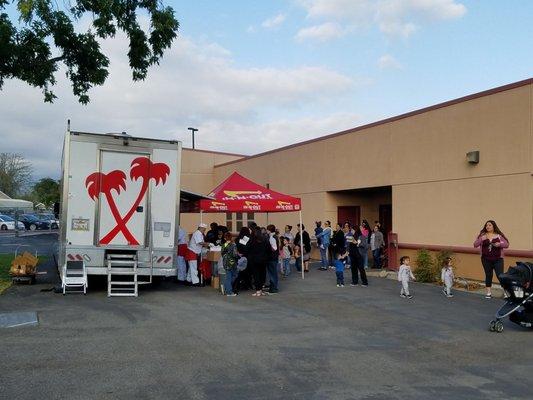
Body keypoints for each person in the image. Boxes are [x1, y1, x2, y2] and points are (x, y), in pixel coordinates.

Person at [474, 220, 510, 299]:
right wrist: (481, 239)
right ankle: (488, 293)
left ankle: (505, 292)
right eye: (486, 225)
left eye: (489, 225)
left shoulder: (499, 235)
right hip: (486, 259)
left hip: (498, 259)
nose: (488, 227)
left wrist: (499, 244)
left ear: (493, 226)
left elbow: (507, 244)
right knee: (488, 275)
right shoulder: (482, 235)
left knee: (500, 275)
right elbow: (475, 245)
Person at [248, 226, 270, 297]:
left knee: (256, 275)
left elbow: (248, 249)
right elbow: (268, 249)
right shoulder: (265, 239)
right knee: (262, 275)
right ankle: (261, 290)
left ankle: (258, 290)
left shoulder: (252, 240)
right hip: (263, 260)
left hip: (254, 260)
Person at [221, 232, 239, 296]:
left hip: (225, 262)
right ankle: (229, 291)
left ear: (225, 238)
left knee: (228, 276)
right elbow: (235, 254)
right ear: (231, 237)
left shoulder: (224, 244)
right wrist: (239, 255)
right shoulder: (233, 245)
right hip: (232, 262)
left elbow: (222, 252)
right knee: (234, 275)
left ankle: (226, 287)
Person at [235, 226, 252, 291]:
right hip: (248, 257)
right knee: (247, 272)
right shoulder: (249, 238)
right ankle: (247, 285)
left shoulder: (238, 238)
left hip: (239, 256)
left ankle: (239, 285)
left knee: (240, 272)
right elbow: (248, 247)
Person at [266, 224, 279, 294]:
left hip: (272, 258)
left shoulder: (272, 237)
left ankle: (273, 288)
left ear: (269, 230)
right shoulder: (274, 236)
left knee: (272, 273)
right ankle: (274, 287)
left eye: (267, 229)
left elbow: (274, 248)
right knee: (274, 273)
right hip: (274, 257)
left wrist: (268, 247)